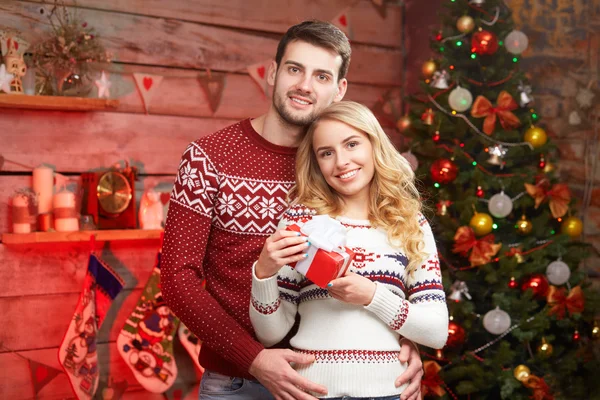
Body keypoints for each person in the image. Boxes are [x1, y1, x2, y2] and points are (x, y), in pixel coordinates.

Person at [161, 21, 426, 400]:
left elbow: (386, 261)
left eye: (321, 75)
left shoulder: (344, 166)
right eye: (294, 69)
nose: (305, 85)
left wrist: (396, 343)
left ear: (340, 90)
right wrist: (253, 359)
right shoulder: (209, 158)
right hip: (238, 383)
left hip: (329, 382)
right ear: (272, 72)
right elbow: (176, 280)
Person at [250, 101, 449, 399]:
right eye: (326, 153)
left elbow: (436, 332)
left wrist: (372, 296)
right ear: (316, 163)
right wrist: (263, 273)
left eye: (352, 144)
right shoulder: (301, 221)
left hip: (388, 391)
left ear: (373, 145)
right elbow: (271, 333)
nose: (341, 161)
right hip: (311, 391)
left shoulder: (410, 224)